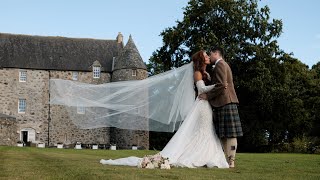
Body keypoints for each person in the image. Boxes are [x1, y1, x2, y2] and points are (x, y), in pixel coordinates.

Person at [100, 50, 229, 168]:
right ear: (201, 60)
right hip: (202, 106)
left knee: (207, 130)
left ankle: (207, 155)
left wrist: (216, 86)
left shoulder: (206, 72)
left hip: (206, 105)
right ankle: (201, 156)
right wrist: (218, 86)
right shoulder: (197, 73)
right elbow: (201, 90)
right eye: (205, 55)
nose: (207, 57)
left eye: (208, 55)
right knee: (203, 130)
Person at [199, 47, 243, 168]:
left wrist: (207, 96)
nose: (209, 56)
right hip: (222, 102)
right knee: (224, 134)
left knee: (230, 134)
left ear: (216, 53)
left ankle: (231, 160)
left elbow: (222, 84)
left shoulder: (221, 64)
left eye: (210, 54)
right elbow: (220, 83)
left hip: (226, 102)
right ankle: (228, 160)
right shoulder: (220, 66)